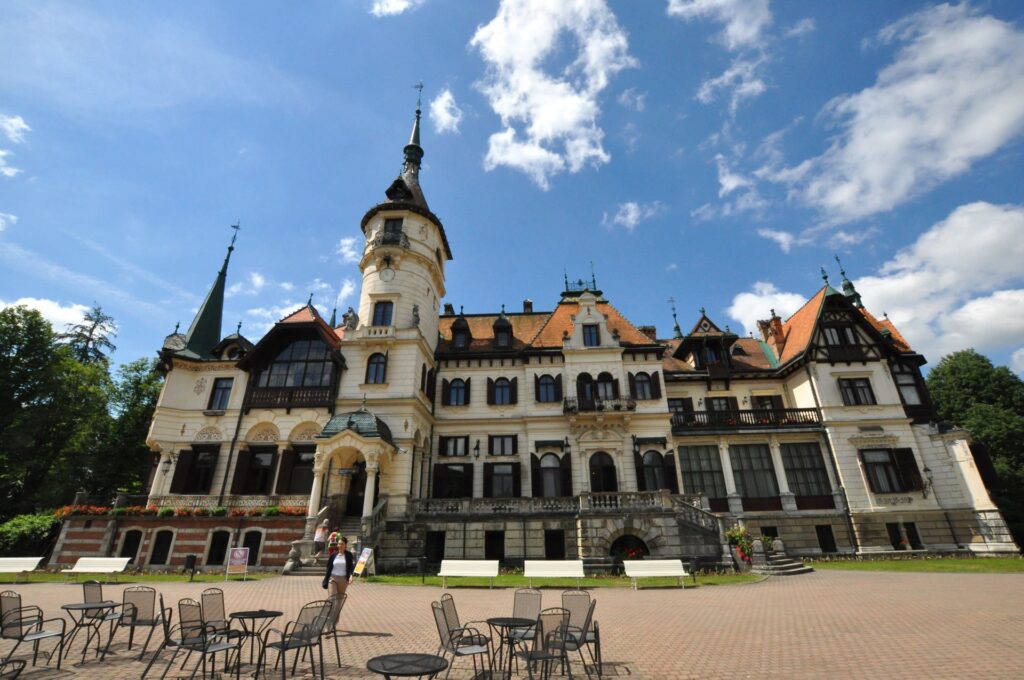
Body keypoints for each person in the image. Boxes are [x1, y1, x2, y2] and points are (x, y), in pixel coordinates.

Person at [321, 535, 354, 626]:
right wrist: (326, 579)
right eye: (339, 544)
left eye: (342, 544)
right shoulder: (333, 555)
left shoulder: (348, 555)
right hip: (333, 578)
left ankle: (334, 624)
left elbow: (351, 567)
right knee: (332, 600)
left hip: (343, 580)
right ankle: (327, 624)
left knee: (338, 603)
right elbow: (328, 567)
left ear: (345, 545)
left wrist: (351, 576)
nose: (340, 545)